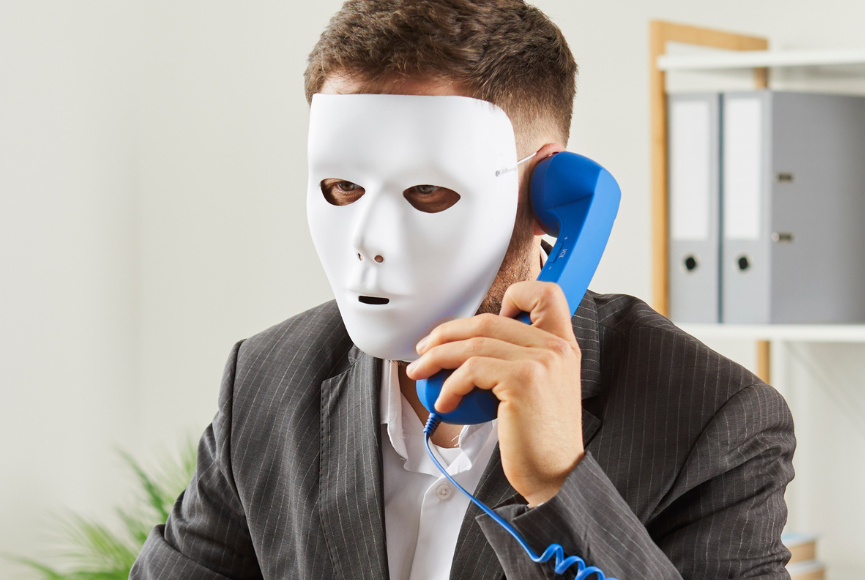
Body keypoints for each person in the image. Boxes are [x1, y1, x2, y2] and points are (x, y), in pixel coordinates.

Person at [133, 1, 796, 579]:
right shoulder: (267, 382)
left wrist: (559, 486)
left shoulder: (718, 420)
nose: (369, 238)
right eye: (341, 189)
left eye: (426, 192)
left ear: (545, 197)